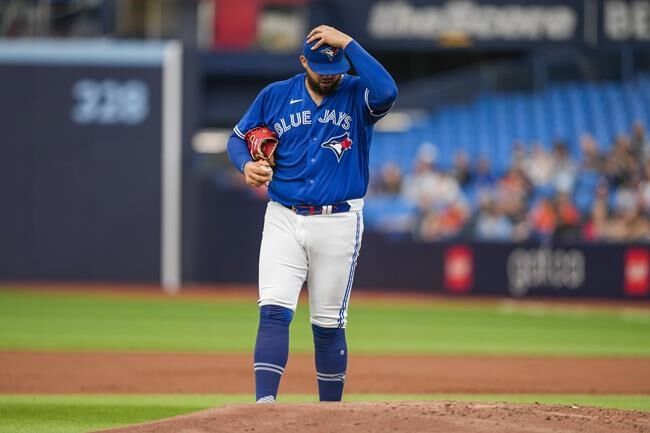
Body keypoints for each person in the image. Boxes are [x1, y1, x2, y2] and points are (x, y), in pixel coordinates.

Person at [226, 25, 398, 403]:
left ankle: (329, 416)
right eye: (321, 66)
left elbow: (388, 91)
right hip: (284, 214)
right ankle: (264, 408)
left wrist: (350, 45)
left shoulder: (357, 93)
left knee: (327, 324)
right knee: (273, 310)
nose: (328, 74)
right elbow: (238, 138)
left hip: (338, 220)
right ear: (304, 61)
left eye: (335, 66)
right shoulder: (275, 95)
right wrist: (245, 166)